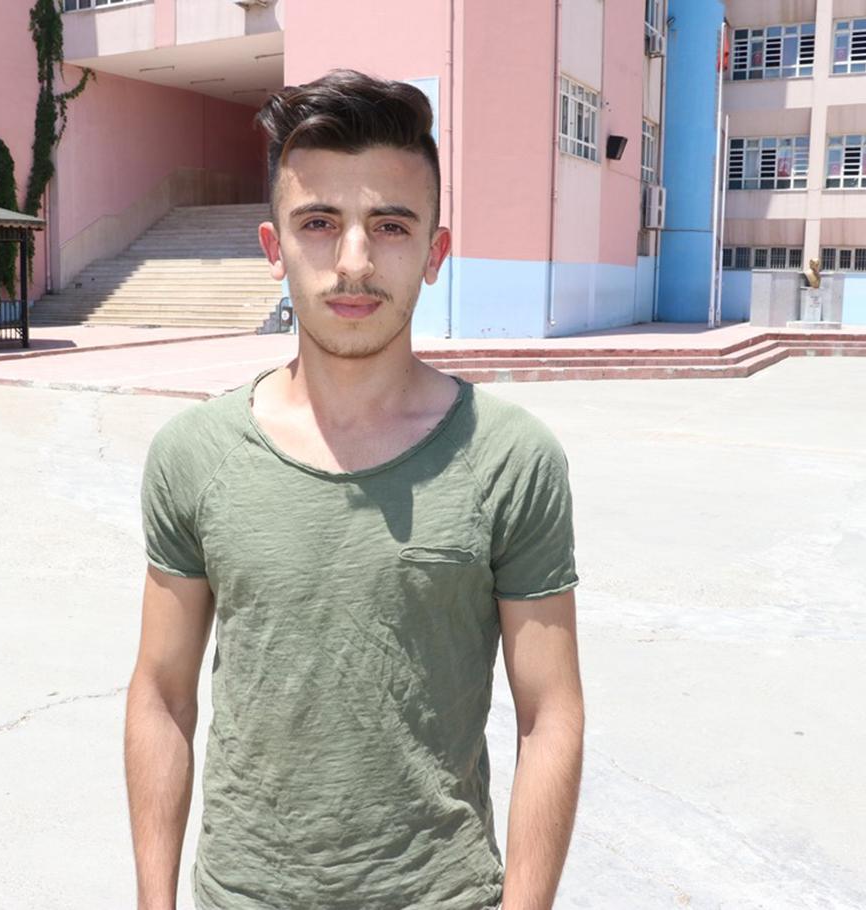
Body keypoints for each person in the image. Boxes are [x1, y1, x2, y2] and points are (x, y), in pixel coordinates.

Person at [124, 68, 584, 910]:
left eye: (391, 226)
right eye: (320, 223)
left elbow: (549, 714)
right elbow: (161, 695)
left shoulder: (512, 460)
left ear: (436, 253)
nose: (355, 263)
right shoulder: (194, 455)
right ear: (274, 248)